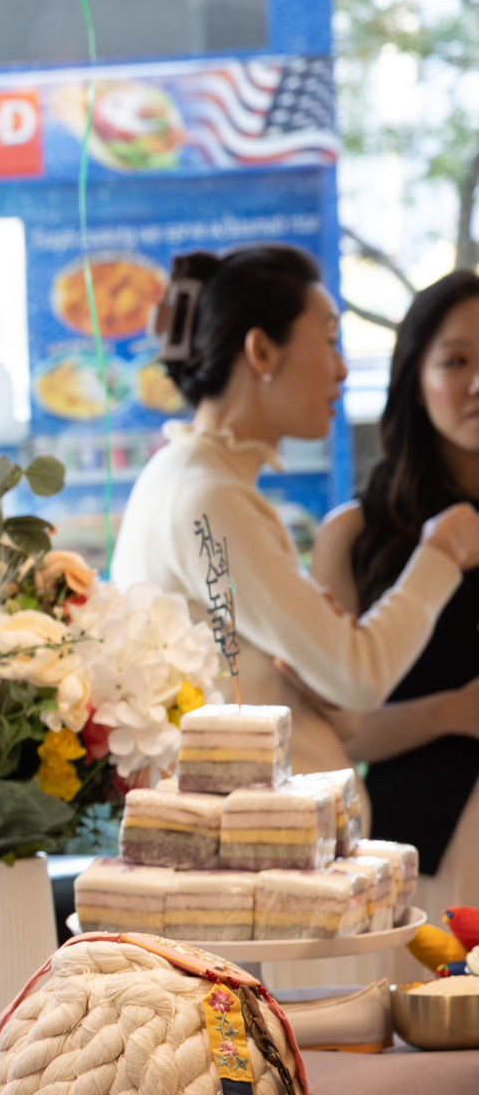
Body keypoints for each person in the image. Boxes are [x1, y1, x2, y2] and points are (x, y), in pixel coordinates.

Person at [111, 246, 479, 777]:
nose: (342, 367)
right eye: (329, 341)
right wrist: (441, 554)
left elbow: (336, 694)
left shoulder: (195, 479)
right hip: (257, 846)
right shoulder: (209, 496)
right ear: (261, 352)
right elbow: (358, 673)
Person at [288, 272, 479, 907]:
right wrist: (454, 710)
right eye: (456, 361)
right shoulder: (357, 533)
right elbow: (334, 729)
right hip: (421, 853)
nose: (478, 381)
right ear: (415, 379)